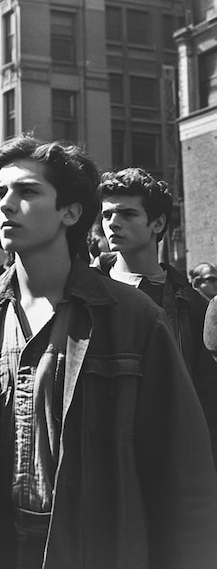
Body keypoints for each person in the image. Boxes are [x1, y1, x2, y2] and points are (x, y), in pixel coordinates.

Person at [0, 134, 217, 569]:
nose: (6, 204)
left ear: (70, 212)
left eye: (28, 191)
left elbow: (183, 475)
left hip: (96, 548)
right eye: (0, 192)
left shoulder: (134, 318)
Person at [96, 168, 217, 467]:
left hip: (169, 457)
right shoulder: (85, 293)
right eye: (107, 214)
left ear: (158, 222)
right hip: (101, 455)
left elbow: (206, 399)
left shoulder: (191, 304)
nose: (113, 223)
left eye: (127, 214)